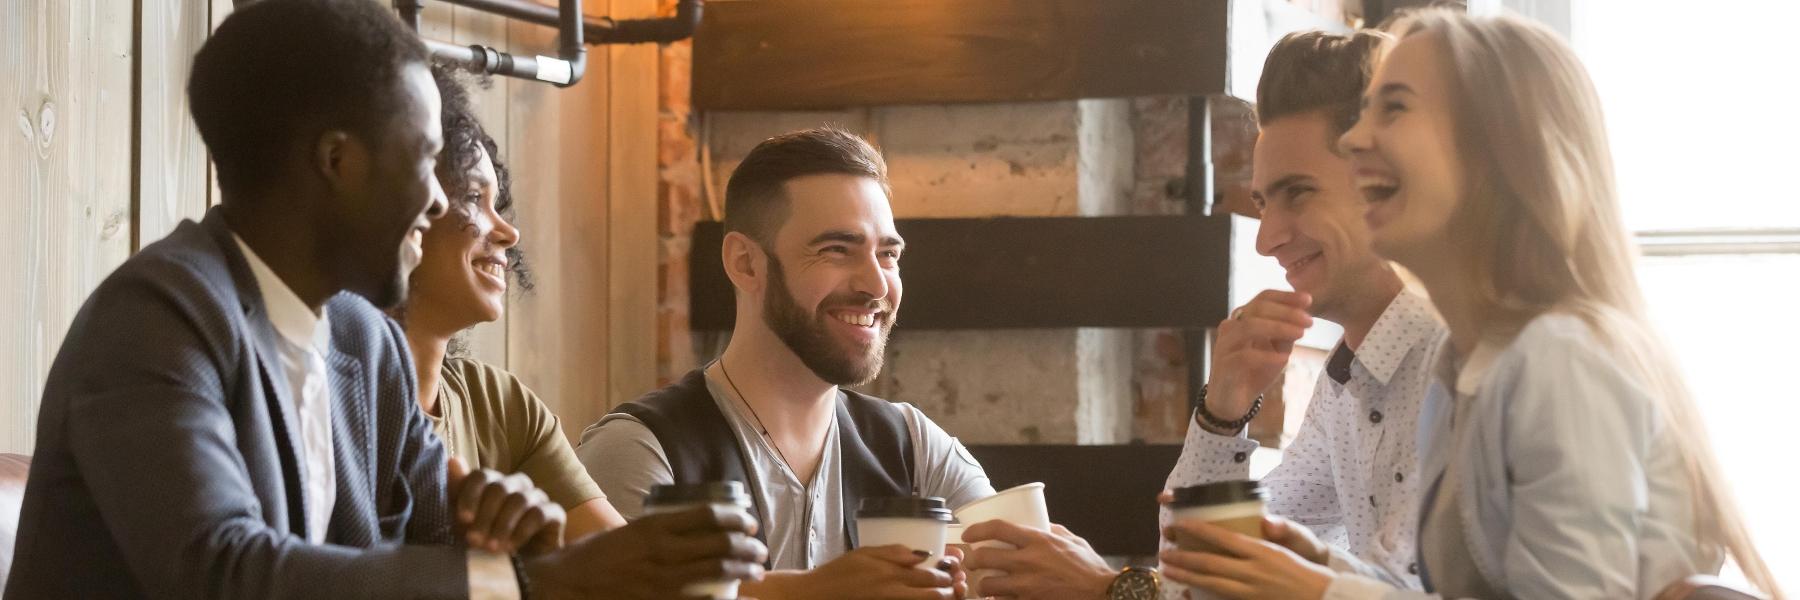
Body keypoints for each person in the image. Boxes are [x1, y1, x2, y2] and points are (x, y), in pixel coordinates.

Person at [4, 0, 764, 597]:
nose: (438, 202)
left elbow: (435, 543)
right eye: (427, 159)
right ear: (337, 161)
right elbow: (220, 573)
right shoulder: (156, 321)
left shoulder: (365, 344)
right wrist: (542, 581)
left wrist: (509, 535)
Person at [1162, 9, 1782, 599]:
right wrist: (1313, 561)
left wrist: (1321, 588)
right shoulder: (1467, 366)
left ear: (1491, 154)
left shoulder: (1556, 358)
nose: (1359, 140)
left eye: (1394, 109)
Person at [959, 29, 1445, 600]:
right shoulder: (1348, 379)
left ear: (1386, 183)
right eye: (1264, 203)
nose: (1267, 240)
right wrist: (1223, 408)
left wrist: (1109, 590)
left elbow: (1399, 591)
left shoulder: (1459, 363)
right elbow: (1203, 572)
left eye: (1299, 193)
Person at [578, 127, 994, 599]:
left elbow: (1024, 579)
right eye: (837, 250)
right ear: (745, 263)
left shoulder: (916, 450)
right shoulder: (639, 450)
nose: (876, 285)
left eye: (888, 255)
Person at [399, 65, 627, 543]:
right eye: (474, 198)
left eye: (495, 203)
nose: (508, 232)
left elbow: (630, 569)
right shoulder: (333, 400)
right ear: (403, 206)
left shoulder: (501, 405)